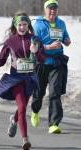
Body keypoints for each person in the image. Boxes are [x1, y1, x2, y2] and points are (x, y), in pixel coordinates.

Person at [0, 11, 45, 150]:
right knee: (22, 107)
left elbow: (42, 60)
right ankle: (25, 140)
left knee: (22, 108)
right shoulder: (10, 41)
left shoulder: (35, 39)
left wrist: (36, 51)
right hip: (16, 78)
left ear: (28, 25)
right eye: (20, 24)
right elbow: (2, 60)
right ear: (15, 25)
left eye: (25, 24)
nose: (22, 27)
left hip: (30, 79)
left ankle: (14, 120)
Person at [30, 0, 71, 134]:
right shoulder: (38, 25)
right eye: (50, 8)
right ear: (45, 10)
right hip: (42, 63)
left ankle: (53, 124)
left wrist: (67, 41)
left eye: (55, 8)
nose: (52, 11)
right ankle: (35, 111)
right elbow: (34, 47)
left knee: (55, 92)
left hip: (57, 63)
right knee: (39, 93)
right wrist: (48, 47)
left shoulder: (61, 23)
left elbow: (66, 39)